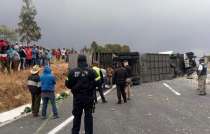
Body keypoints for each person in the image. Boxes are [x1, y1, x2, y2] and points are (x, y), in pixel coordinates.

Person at [65, 55, 96, 134]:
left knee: (77, 116)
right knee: (88, 116)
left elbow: (67, 84)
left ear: (78, 61)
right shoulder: (91, 71)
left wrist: (74, 87)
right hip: (89, 97)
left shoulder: (72, 72)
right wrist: (91, 87)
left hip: (77, 98)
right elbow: (98, 81)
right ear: (86, 61)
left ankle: (75, 132)